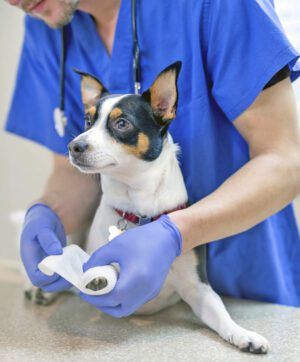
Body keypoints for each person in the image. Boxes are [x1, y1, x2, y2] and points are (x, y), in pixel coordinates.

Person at [5, 0, 300, 318]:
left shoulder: (220, 6)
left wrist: (174, 234)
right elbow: (75, 171)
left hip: (248, 297)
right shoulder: (47, 24)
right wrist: (49, 215)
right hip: (122, 315)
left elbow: (286, 161)